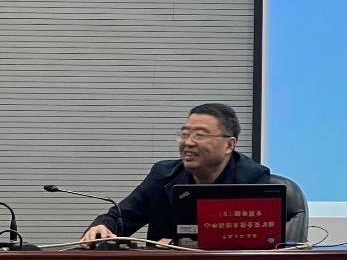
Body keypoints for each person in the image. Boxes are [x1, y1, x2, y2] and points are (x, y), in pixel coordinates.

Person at [79, 103, 272, 245]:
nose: (188, 143)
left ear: (229, 145)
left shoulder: (252, 178)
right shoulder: (163, 175)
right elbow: (122, 216)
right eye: (185, 134)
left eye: (200, 135)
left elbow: (254, 241)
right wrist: (103, 227)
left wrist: (177, 244)